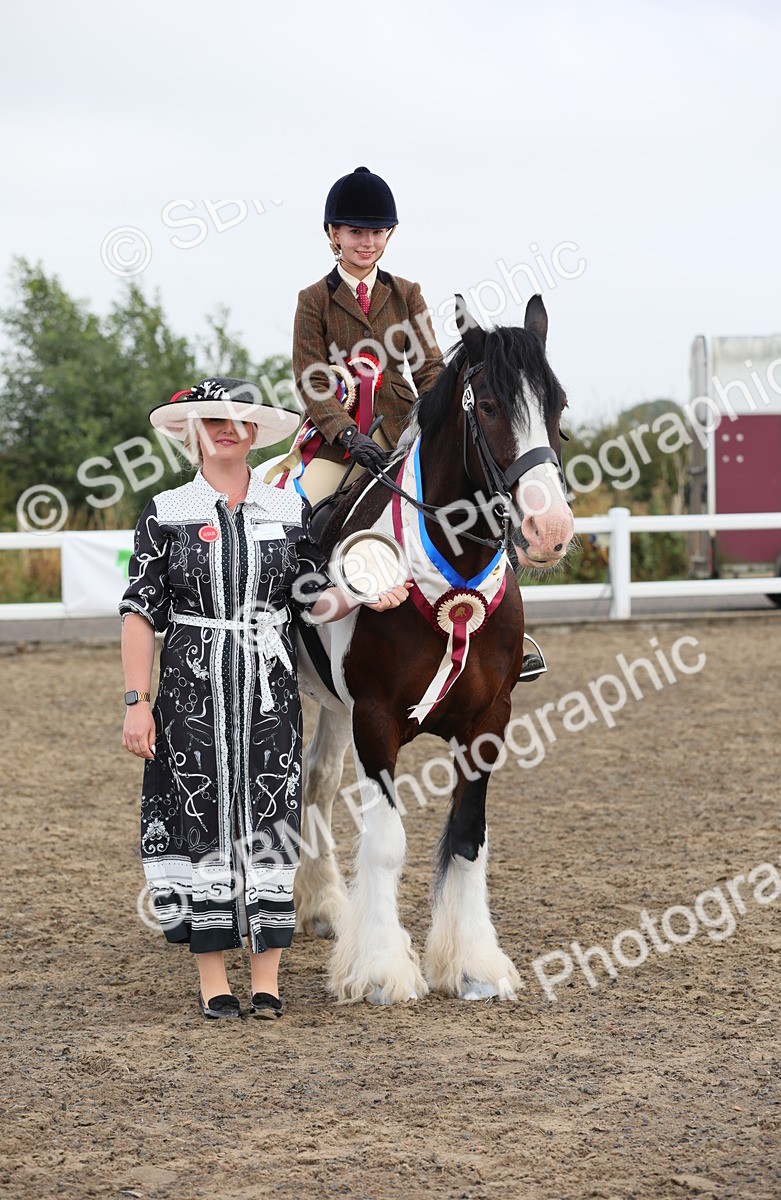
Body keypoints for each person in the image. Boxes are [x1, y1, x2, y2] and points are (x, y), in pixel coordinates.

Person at [120, 377, 408, 1021]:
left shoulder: (286, 510)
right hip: (191, 690)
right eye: (214, 421)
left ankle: (267, 981)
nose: (228, 430)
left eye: (240, 421)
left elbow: (312, 601)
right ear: (193, 433)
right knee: (202, 821)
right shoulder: (165, 512)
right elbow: (140, 613)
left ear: (254, 433)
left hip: (269, 693)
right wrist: (137, 701)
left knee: (270, 822)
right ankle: (213, 982)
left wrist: (361, 591)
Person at [269, 166, 443, 505]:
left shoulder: (407, 294)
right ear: (335, 234)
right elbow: (311, 379)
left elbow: (429, 370)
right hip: (338, 444)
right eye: (356, 232)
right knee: (299, 507)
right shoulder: (313, 299)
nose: (368, 243)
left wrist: (438, 423)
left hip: (402, 431)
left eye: (377, 232)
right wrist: (346, 433)